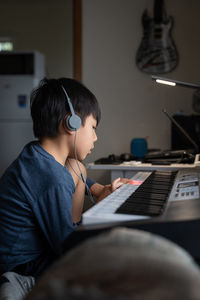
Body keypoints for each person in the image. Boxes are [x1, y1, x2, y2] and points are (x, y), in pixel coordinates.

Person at [0, 78, 127, 297]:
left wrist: (97, 190)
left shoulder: (37, 155)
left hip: (19, 255)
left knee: (77, 165)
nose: (96, 138)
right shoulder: (52, 178)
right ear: (71, 124)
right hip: (23, 264)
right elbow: (66, 247)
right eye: (94, 128)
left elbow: (75, 175)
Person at [25, 227, 200, 300]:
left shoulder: (62, 168)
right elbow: (65, 241)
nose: (95, 145)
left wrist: (95, 188)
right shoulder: (53, 176)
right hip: (34, 266)